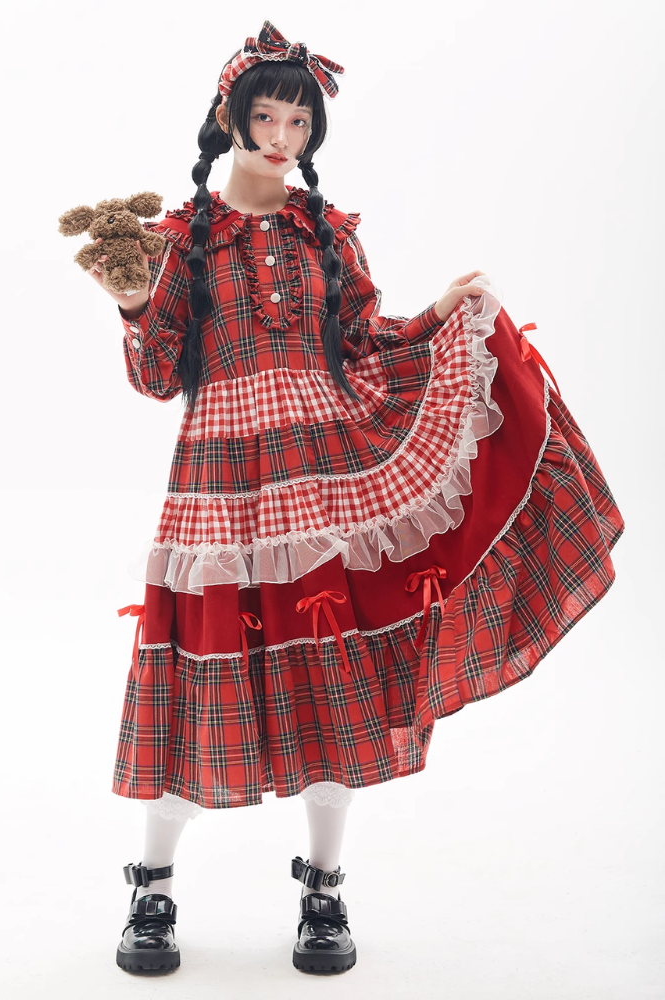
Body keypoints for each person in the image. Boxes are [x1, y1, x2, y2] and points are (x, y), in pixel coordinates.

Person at [82, 20, 625, 977]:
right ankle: (153, 886)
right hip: (220, 485)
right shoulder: (177, 240)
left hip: (322, 478)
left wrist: (442, 315)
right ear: (229, 119)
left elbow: (365, 344)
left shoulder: (326, 233)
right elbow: (158, 376)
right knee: (193, 675)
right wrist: (131, 304)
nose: (282, 137)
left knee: (332, 681)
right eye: (266, 116)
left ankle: (323, 889)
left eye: (299, 121)